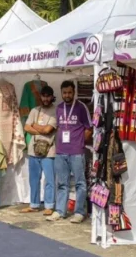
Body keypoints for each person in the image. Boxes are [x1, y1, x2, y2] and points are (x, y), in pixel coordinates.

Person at [50, 80, 92, 223]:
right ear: (61, 93)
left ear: (74, 92)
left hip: (76, 152)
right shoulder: (59, 108)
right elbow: (59, 127)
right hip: (61, 151)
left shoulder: (81, 107)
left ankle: (79, 212)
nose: (67, 95)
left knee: (80, 183)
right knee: (62, 183)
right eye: (64, 93)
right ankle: (60, 211)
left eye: (69, 92)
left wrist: (80, 142)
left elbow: (89, 128)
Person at [22, 85, 56, 216]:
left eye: (48, 96)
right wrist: (40, 128)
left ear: (52, 97)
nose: (46, 99)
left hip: (49, 150)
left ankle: (49, 205)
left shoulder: (55, 111)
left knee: (49, 179)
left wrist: (34, 125)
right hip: (33, 150)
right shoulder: (34, 110)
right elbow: (26, 127)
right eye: (44, 96)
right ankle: (34, 204)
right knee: (34, 179)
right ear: (40, 97)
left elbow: (48, 130)